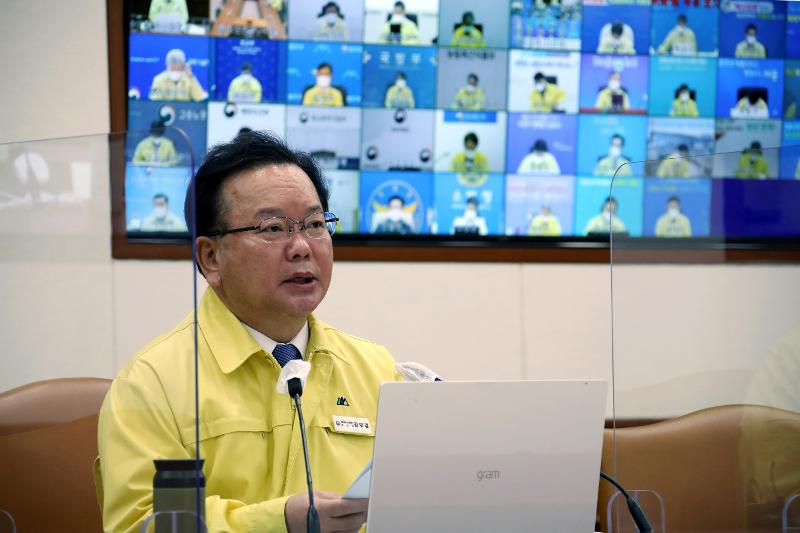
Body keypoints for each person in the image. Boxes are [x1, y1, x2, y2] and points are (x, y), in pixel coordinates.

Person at [97, 131, 400, 532]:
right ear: (210, 257)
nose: (301, 247)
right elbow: (151, 525)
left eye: (313, 224)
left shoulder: (376, 371)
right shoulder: (157, 384)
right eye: (273, 228)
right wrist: (280, 523)